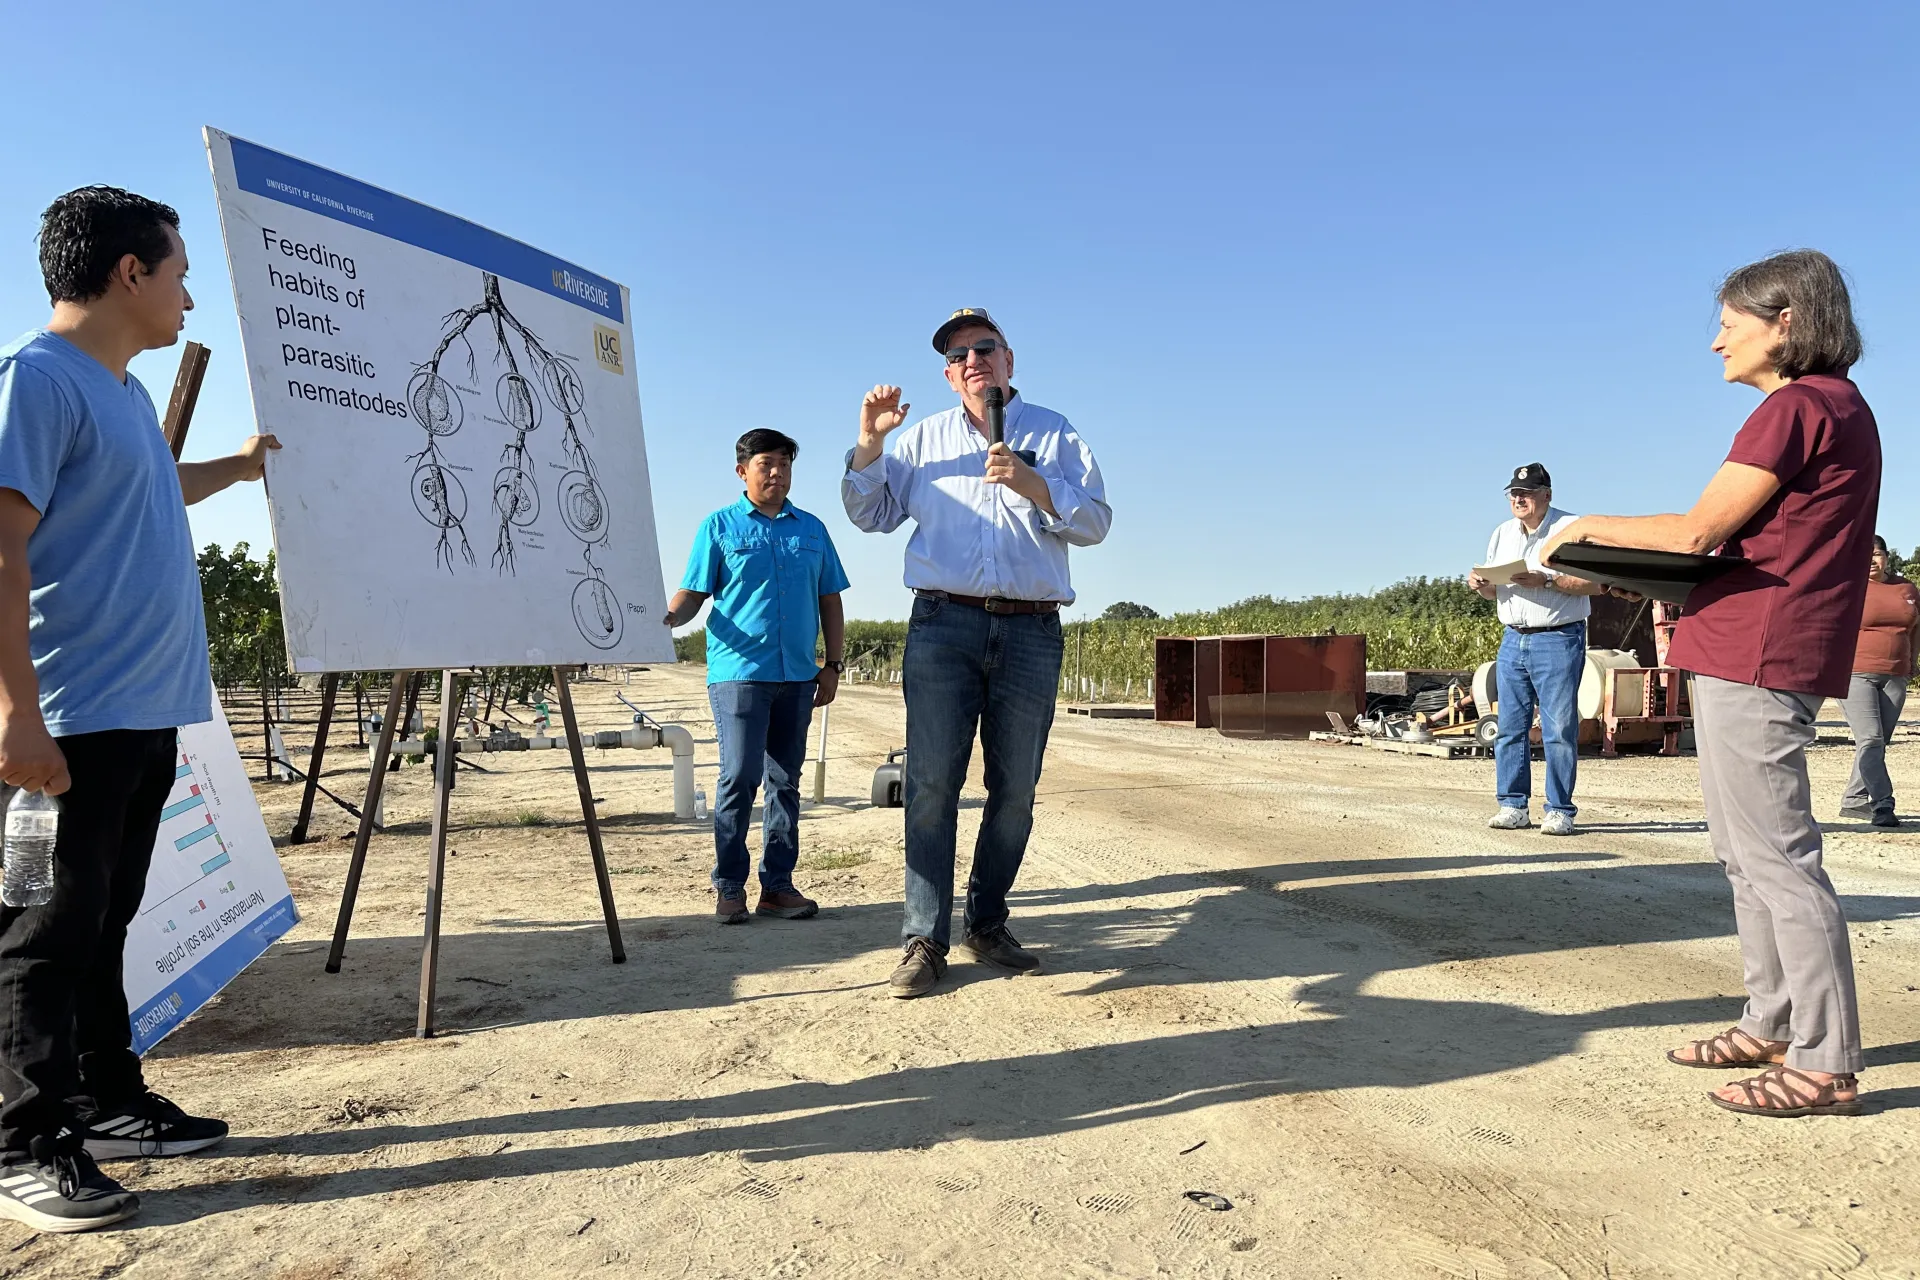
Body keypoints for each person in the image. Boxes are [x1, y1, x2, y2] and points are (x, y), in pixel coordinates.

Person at [0, 186, 280, 1231]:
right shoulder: (35, 380)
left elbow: (154, 483)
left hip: (139, 719)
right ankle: (21, 1137)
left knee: (104, 920)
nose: (188, 295)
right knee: (35, 924)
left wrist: (241, 469)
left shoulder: (114, 392)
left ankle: (105, 1100)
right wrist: (13, 713)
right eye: (178, 272)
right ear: (129, 272)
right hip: (60, 728)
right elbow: (1, 547)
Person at [1543, 249, 1876, 1118]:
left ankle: (1825, 1059)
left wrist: (1579, 530)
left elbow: (1697, 532)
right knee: (1745, 855)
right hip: (1746, 647)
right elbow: (1741, 550)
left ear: (1787, 322)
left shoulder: (1796, 406)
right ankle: (1771, 1017)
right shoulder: (1834, 408)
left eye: (1731, 322)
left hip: (1760, 655)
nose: (1717, 341)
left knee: (1778, 859)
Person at [843, 308, 1110, 998]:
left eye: (983, 348)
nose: (972, 362)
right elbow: (869, 514)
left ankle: (986, 922)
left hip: (1030, 630)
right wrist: (870, 444)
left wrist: (1034, 484)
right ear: (946, 372)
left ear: (1009, 359)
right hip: (943, 626)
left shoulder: (1053, 432)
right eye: (957, 355)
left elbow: (1097, 522)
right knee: (930, 786)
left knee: (1015, 790)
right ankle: (923, 940)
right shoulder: (923, 439)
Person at [664, 428, 848, 925]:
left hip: (798, 676)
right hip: (739, 674)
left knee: (786, 781)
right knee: (739, 777)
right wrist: (660, 621)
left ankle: (778, 886)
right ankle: (729, 885)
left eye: (785, 464)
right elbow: (692, 594)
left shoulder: (811, 530)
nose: (776, 473)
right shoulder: (719, 527)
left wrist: (831, 665)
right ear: (742, 470)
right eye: (766, 464)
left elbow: (830, 599)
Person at [1467, 464, 1607, 836]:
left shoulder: (1570, 529)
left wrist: (1545, 579)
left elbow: (1595, 584)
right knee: (1511, 727)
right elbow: (1494, 591)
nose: (1518, 499)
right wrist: (1479, 583)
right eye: (1513, 493)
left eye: (1526, 493)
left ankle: (1559, 810)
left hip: (1558, 637)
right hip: (1513, 637)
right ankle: (1513, 805)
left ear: (1547, 494)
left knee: (1559, 727)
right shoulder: (1501, 533)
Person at [1838, 535, 1918, 827]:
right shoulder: (1849, 588)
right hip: (1855, 673)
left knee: (1876, 743)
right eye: (1865, 554)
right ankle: (1883, 804)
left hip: (1896, 674)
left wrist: (1914, 662)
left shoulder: (1906, 588)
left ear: (1887, 556)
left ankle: (1853, 800)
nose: (1872, 560)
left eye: (1877, 554)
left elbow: (1914, 627)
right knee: (1871, 739)